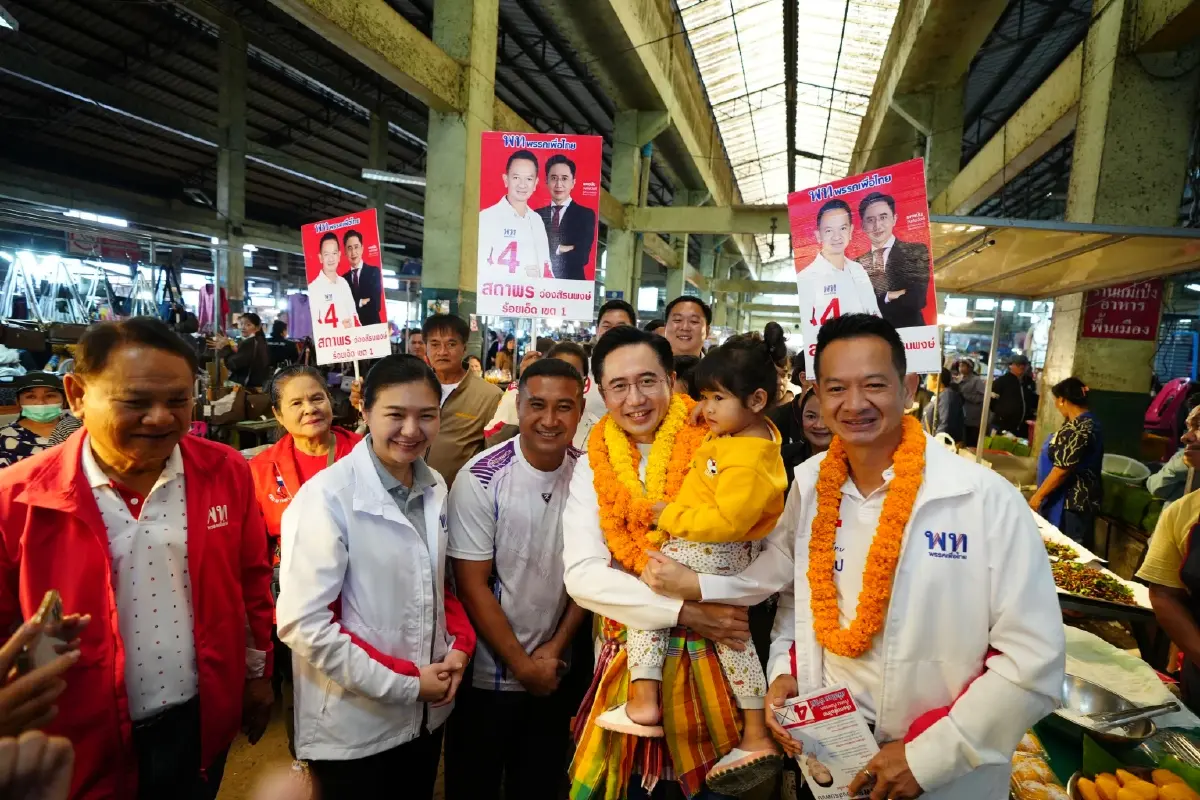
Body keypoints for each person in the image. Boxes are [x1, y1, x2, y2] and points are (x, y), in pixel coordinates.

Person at [651, 313, 1066, 800]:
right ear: (816, 394)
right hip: (828, 757)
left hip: (943, 773)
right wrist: (787, 672)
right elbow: (793, 597)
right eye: (836, 389)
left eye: (874, 385)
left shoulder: (981, 499)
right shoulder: (808, 483)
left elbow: (1033, 660)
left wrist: (930, 755)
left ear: (909, 387)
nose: (855, 405)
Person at [0, 317, 276, 798]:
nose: (160, 418)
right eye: (136, 402)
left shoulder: (223, 471)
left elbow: (250, 581)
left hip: (200, 717)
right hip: (81, 743)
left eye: (177, 401)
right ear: (77, 394)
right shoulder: (17, 500)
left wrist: (258, 676)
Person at [562, 325, 755, 799]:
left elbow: (762, 550)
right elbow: (583, 576)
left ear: (672, 379)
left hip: (717, 660)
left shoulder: (722, 442)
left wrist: (705, 591)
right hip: (630, 665)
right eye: (619, 387)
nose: (635, 399)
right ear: (600, 393)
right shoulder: (594, 462)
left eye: (647, 381)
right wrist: (687, 611)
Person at [277, 355, 477, 800]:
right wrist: (406, 683)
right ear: (364, 412)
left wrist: (459, 648)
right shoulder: (326, 499)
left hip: (425, 716)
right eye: (395, 415)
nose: (412, 430)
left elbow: (438, 586)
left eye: (426, 416)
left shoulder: (434, 487)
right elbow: (303, 624)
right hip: (356, 729)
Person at [601, 323, 790, 792]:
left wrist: (673, 516)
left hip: (708, 549)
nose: (704, 410)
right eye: (618, 386)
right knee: (736, 640)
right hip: (722, 560)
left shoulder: (748, 455)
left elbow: (725, 519)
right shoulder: (737, 436)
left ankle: (644, 697)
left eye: (715, 400)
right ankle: (754, 731)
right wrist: (705, 420)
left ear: (668, 380)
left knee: (649, 586)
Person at [444, 358, 588, 800]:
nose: (549, 420)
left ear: (581, 410)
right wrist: (523, 666)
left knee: (540, 783)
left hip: (553, 668)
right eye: (537, 405)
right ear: (517, 406)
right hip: (486, 675)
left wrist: (553, 649)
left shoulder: (590, 477)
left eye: (563, 407)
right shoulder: (480, 478)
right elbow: (471, 584)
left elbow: (592, 572)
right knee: (476, 784)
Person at [248, 366, 362, 706]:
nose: (310, 408)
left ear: (331, 402)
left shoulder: (365, 454)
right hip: (297, 605)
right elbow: (255, 554)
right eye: (296, 403)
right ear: (277, 415)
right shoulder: (261, 469)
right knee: (303, 696)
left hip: (361, 600)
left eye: (317, 398)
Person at [1136, 410, 1200, 711]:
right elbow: (1164, 594)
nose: (1187, 437)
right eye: (1188, 427)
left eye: (1198, 427)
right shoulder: (1182, 513)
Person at [423, 314, 502, 486]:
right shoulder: (416, 388)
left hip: (459, 498)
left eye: (451, 344)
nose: (442, 351)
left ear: (464, 348)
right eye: (435, 344)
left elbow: (494, 456)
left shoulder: (489, 396)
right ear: (426, 348)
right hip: (411, 494)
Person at [795, 200, 881, 348]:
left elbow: (875, 315)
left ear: (851, 231)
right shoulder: (806, 277)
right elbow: (810, 331)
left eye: (842, 228)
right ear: (818, 235)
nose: (837, 237)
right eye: (828, 230)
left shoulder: (858, 270)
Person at [1029, 377, 1104, 545]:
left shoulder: (1079, 428)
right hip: (1079, 501)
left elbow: (1062, 469)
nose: (1056, 404)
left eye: (1056, 400)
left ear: (1062, 400)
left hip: (1071, 502)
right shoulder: (1088, 422)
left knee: (1069, 549)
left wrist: (1037, 497)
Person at [485, 341, 593, 449]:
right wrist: (525, 388)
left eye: (564, 407)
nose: (549, 422)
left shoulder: (596, 430)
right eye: (555, 371)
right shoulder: (520, 399)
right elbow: (495, 439)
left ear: (585, 382)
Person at [856, 192, 931, 329]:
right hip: (871, 335)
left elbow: (916, 300)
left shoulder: (915, 252)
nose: (877, 226)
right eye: (870, 220)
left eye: (883, 217)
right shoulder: (856, 264)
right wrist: (889, 296)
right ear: (863, 226)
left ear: (894, 219)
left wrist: (876, 302)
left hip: (910, 336)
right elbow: (856, 307)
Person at [479, 149, 552, 279]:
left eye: (529, 179)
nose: (522, 185)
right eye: (516, 177)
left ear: (535, 183)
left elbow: (546, 266)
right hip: (499, 294)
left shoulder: (537, 221)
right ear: (506, 179)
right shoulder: (486, 217)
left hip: (532, 295)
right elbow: (480, 268)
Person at [0, 372, 82, 468]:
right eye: (31, 397)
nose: (41, 402)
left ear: (64, 401)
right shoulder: (4, 437)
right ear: (18, 402)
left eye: (50, 396)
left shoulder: (82, 427)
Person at [536, 154, 596, 281]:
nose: (558, 184)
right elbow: (528, 253)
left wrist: (547, 249)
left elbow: (582, 257)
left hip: (572, 289)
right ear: (546, 181)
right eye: (554, 178)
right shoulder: (535, 215)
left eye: (564, 178)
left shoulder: (585, 215)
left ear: (573, 182)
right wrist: (562, 248)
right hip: (539, 287)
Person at [769, 387, 832, 488]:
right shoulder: (782, 457)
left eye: (828, 417)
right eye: (811, 416)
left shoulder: (856, 463)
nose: (820, 425)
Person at [309, 232, 359, 331]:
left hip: (349, 342)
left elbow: (354, 314)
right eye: (326, 254)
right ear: (320, 258)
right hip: (329, 344)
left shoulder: (344, 283)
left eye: (334, 253)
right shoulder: (313, 288)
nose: (331, 258)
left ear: (339, 255)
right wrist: (341, 326)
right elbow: (314, 325)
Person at [216, 312, 271, 389]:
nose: (243, 327)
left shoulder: (249, 342)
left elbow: (233, 364)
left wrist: (226, 347)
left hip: (246, 388)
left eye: (248, 325)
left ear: (257, 327)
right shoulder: (261, 341)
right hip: (258, 386)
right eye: (241, 324)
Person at [343, 229, 383, 326]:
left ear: (362, 248)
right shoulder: (343, 279)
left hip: (372, 330)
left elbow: (376, 305)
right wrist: (362, 302)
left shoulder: (374, 272)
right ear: (345, 252)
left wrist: (353, 305)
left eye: (356, 247)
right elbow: (342, 309)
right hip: (352, 331)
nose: (353, 252)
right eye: (349, 248)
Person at [991, 355, 1033, 438]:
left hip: (1023, 428)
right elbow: (992, 402)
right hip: (1003, 426)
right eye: (1018, 365)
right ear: (1010, 366)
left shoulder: (1028, 382)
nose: (1021, 367)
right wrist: (1003, 414)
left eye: (1024, 364)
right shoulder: (1001, 381)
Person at [922, 368, 965, 444]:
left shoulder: (947, 396)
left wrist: (936, 444)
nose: (927, 381)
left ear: (937, 379)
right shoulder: (939, 395)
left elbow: (945, 423)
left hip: (942, 445)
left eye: (929, 377)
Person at [957, 359, 986, 446]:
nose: (961, 368)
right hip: (962, 414)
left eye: (963, 366)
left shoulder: (976, 380)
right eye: (960, 366)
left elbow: (984, 396)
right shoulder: (959, 378)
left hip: (972, 415)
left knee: (971, 439)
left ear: (970, 368)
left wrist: (967, 396)